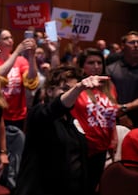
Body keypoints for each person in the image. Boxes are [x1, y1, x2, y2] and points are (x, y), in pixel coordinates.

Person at [15, 65, 110, 195]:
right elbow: (56, 107)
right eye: (65, 89)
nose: (71, 94)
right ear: (49, 91)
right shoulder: (38, 114)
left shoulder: (71, 120)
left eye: (72, 90)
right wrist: (78, 87)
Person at [70, 48, 119, 194]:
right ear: (81, 66)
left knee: (93, 187)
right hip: (81, 147)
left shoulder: (109, 85)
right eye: (91, 62)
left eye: (99, 62)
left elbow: (111, 113)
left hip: (102, 146)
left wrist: (114, 137)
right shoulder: (76, 86)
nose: (96, 66)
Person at [0, 29, 39, 131]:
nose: (10, 40)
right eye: (5, 38)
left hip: (18, 113)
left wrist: (31, 55)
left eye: (11, 37)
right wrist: (17, 52)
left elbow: (31, 78)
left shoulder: (21, 61)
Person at [107, 31, 138, 129]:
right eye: (132, 42)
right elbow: (107, 95)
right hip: (116, 119)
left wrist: (125, 108)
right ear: (123, 46)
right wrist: (122, 115)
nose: (136, 45)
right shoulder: (111, 69)